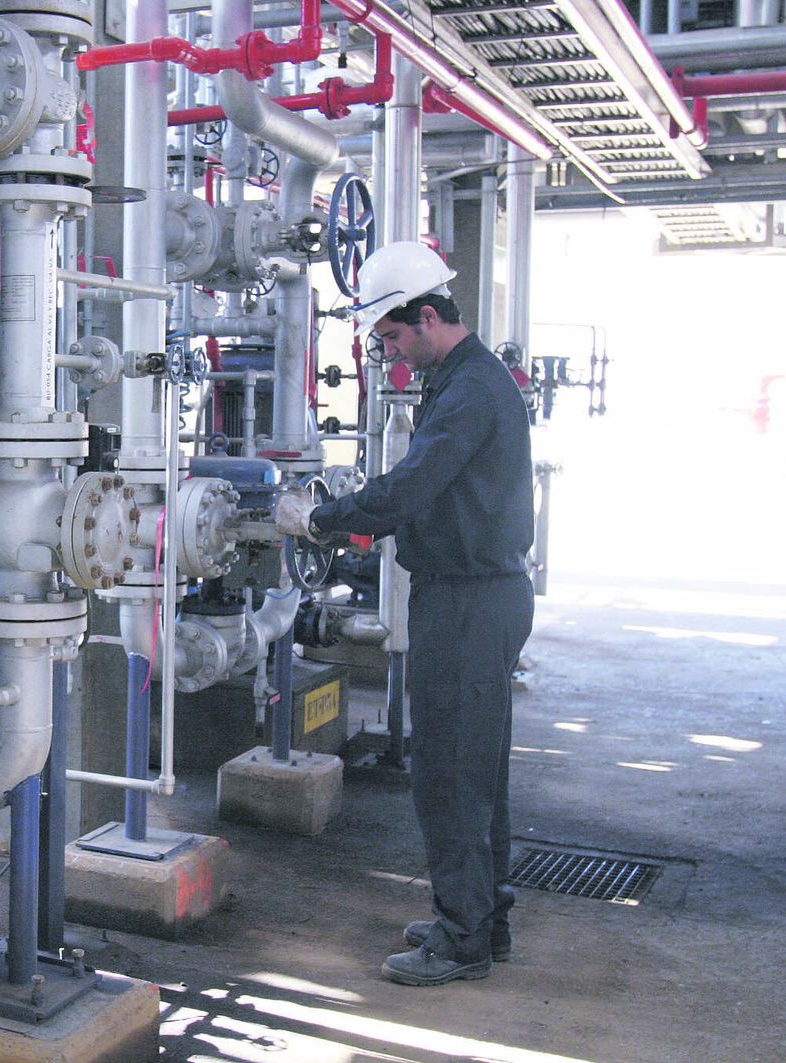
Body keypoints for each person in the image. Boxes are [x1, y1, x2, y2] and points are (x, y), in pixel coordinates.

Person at [275, 241, 535, 987]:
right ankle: (484, 913)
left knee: (450, 772)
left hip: (469, 598)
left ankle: (461, 940)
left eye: (391, 338)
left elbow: (410, 489)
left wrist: (321, 518)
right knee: (476, 769)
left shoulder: (470, 392)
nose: (390, 354)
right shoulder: (461, 381)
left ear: (427, 315)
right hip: (474, 592)